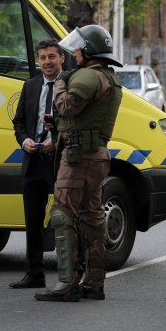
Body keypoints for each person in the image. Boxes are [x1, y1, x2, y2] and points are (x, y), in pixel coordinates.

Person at [34, 24, 123, 303]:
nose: (74, 53)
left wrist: (60, 82)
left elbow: (68, 106)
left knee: (63, 213)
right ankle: (94, 281)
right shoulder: (107, 76)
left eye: (77, 48)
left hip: (78, 157)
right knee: (92, 215)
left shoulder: (87, 75)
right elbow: (81, 117)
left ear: (89, 51)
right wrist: (59, 124)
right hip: (94, 155)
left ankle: (66, 283)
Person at [9, 39, 65, 289]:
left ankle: (71, 273)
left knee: (66, 218)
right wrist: (25, 141)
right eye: (42, 57)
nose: (47, 62)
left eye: (51, 56)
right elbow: (18, 122)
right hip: (34, 161)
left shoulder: (71, 84)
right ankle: (34, 273)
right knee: (32, 220)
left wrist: (57, 140)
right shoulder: (30, 86)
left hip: (61, 161)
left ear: (61, 58)